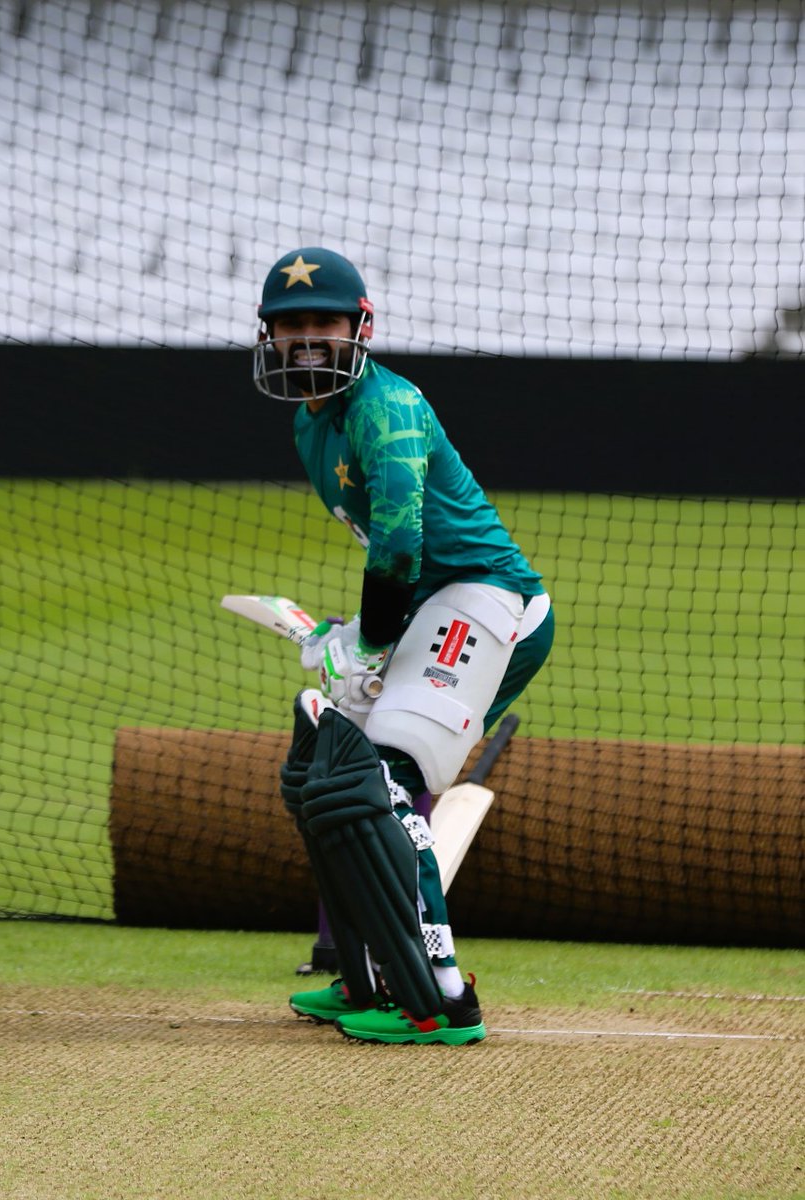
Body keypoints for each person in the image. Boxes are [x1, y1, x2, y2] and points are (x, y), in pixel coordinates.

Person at [253, 247, 554, 1044]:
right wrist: (358, 636)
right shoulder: (307, 421)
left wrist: (373, 649)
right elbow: (390, 561)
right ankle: (367, 980)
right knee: (329, 771)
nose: (307, 338)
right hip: (432, 605)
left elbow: (396, 548)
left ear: (361, 327)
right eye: (291, 325)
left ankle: (443, 997)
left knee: (379, 780)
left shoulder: (388, 409)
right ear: (268, 336)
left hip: (492, 602)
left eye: (324, 321)